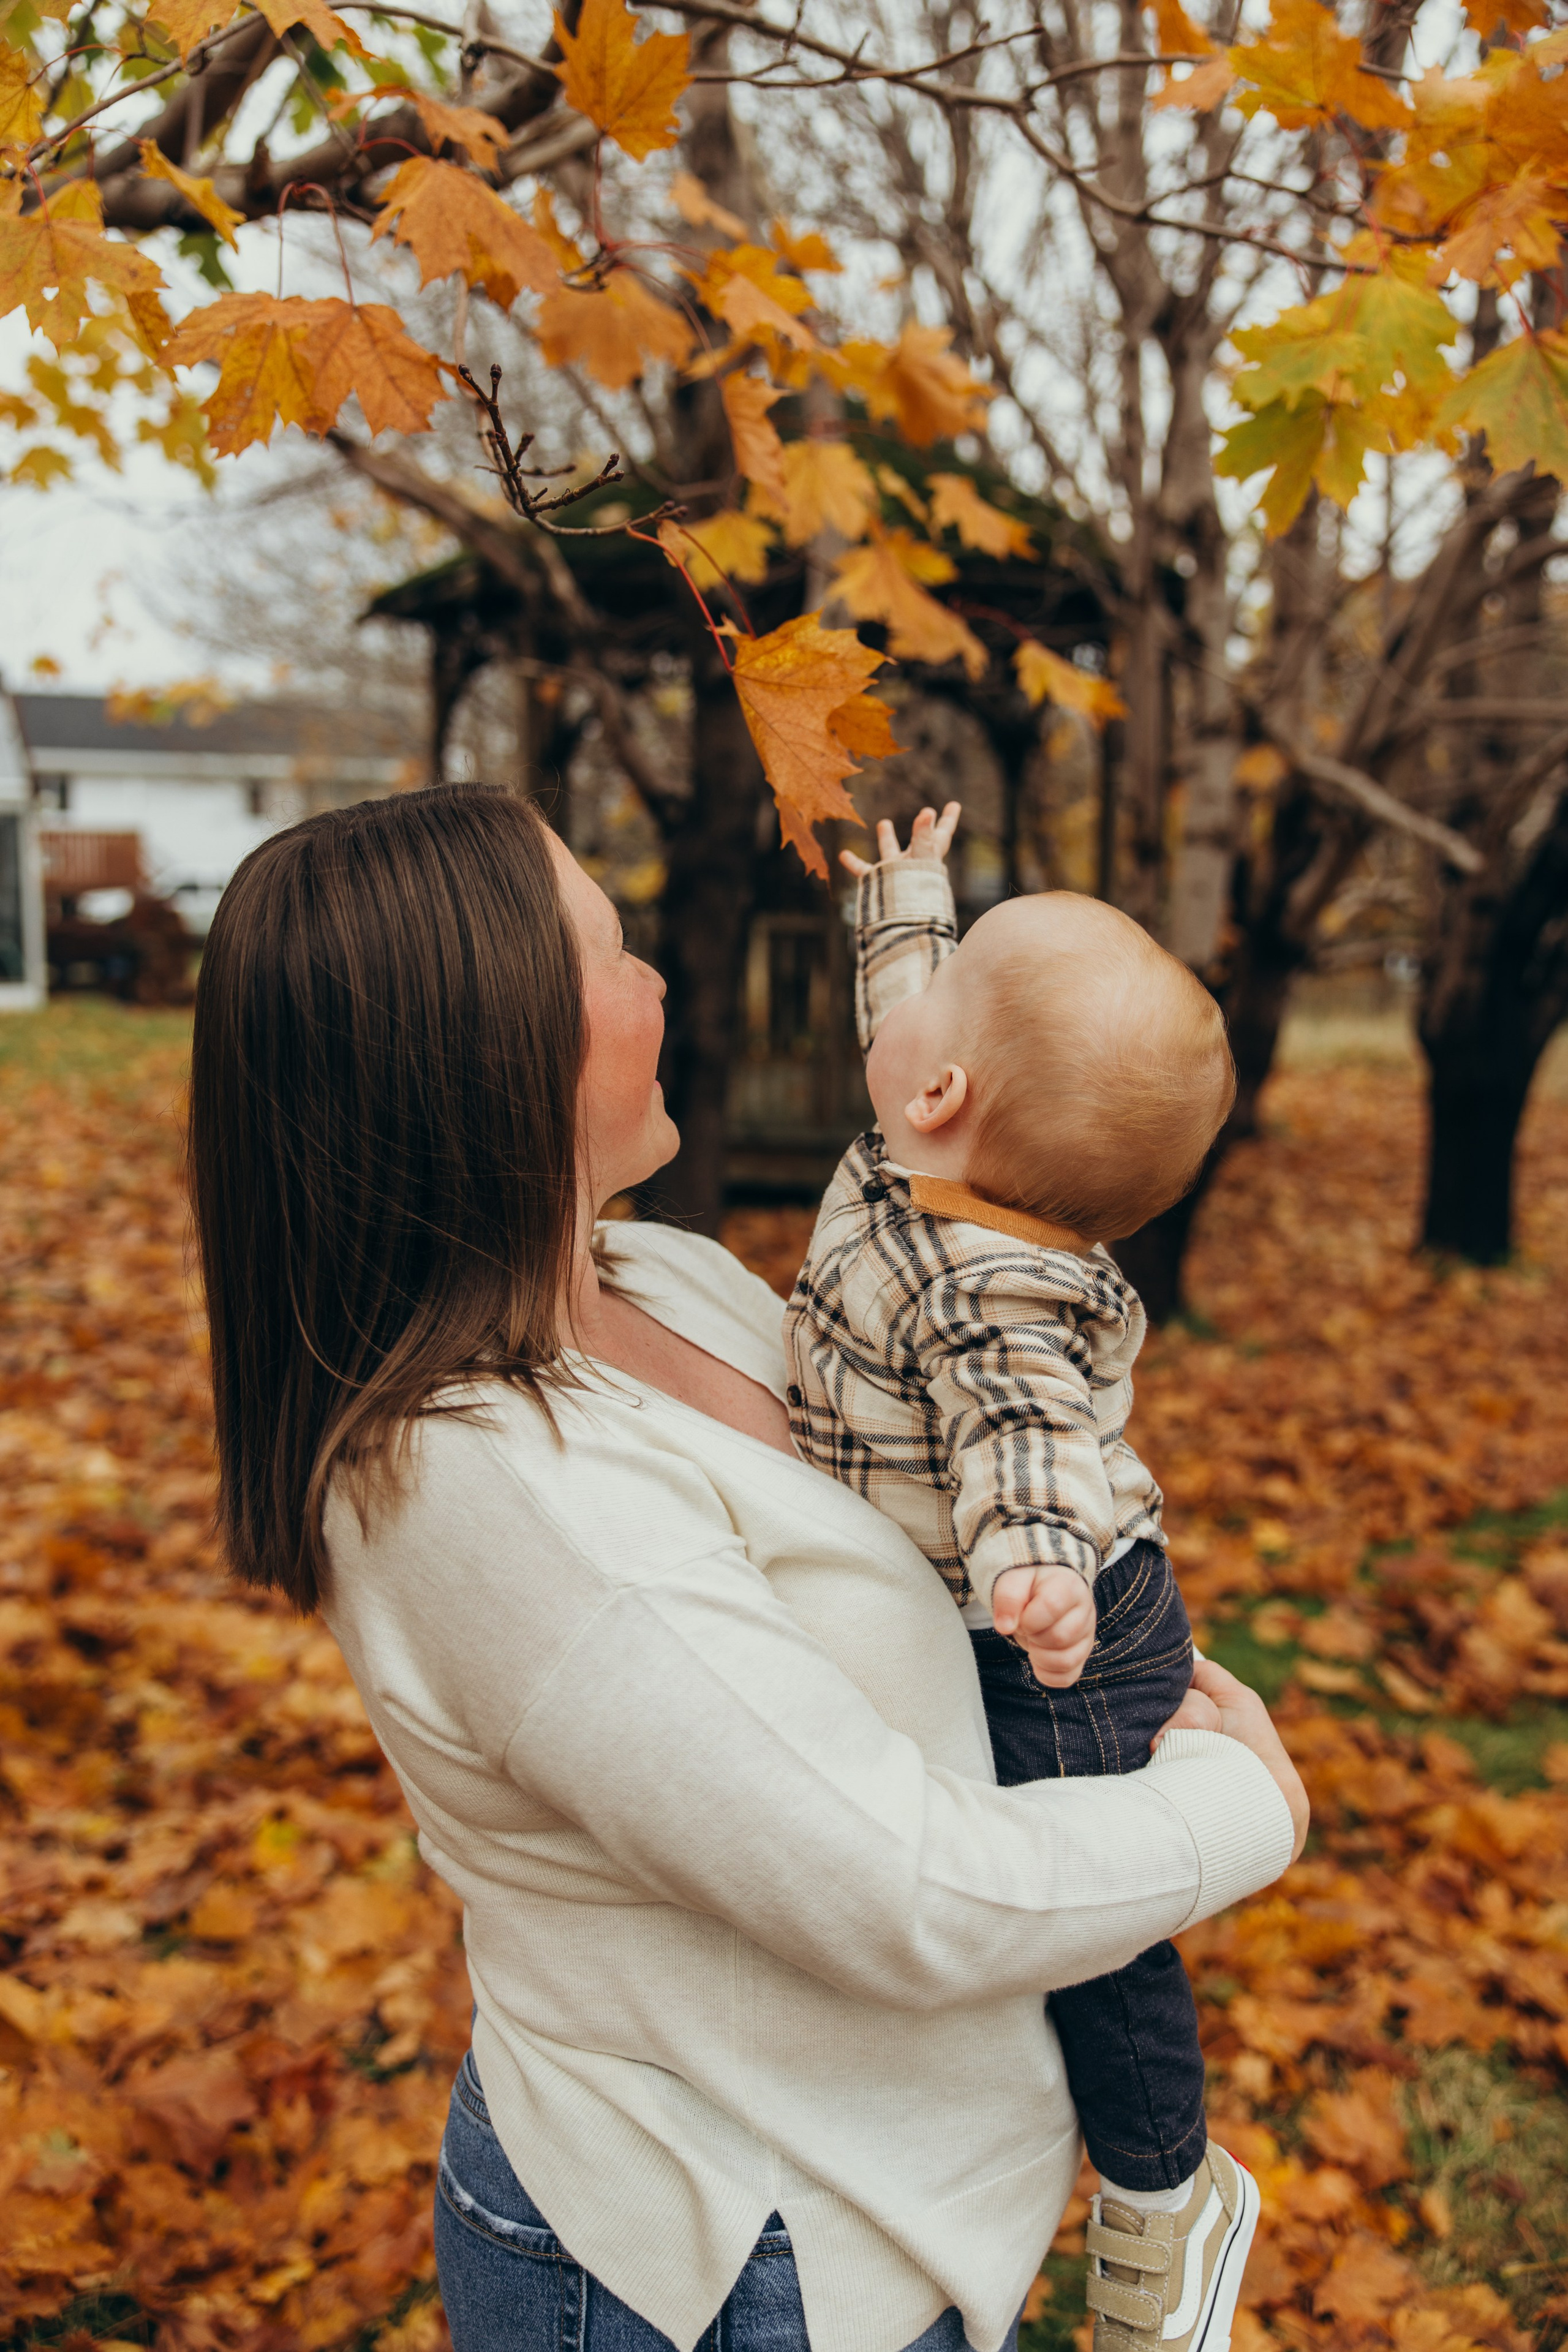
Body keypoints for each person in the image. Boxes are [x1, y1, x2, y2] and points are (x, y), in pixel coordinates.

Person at [187, 784, 1308, 2352]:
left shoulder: (663, 1275)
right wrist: (1236, 1809)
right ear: (484, 1045)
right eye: (612, 949)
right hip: (742, 2263)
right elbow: (892, 1885)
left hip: (882, 2197)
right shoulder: (492, 1488)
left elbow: (930, 1444)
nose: (657, 982)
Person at [786, 803, 1257, 2352]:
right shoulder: (930, 1126)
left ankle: (1161, 2199)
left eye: (936, 984)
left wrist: (1035, 1572)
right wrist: (910, 899)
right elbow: (910, 1007)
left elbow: (1026, 1446)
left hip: (1052, 1622)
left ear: (939, 1094)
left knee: (1090, 1938)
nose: (901, 987)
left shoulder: (992, 1294)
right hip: (1030, 1611)